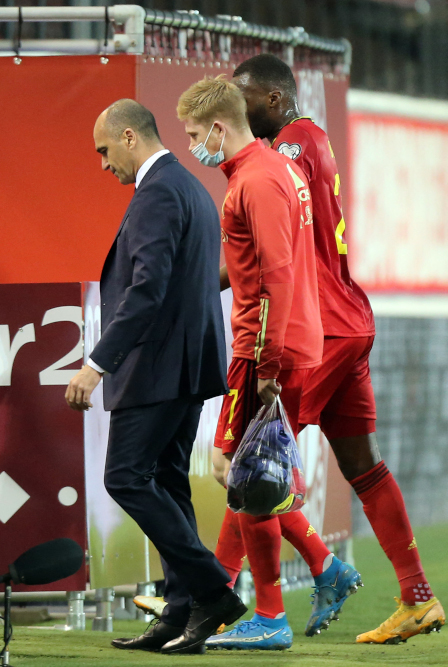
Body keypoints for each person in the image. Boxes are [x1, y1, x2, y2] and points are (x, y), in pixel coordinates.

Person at [223, 52, 445, 644]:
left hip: (316, 329)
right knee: (363, 467)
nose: (230, 110)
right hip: (350, 320)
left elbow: (281, 245)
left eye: (239, 96)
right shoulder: (311, 139)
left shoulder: (285, 150)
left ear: (271, 99)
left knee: (252, 466)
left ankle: (212, 597)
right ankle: (417, 595)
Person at [176, 75, 360, 651]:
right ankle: (324, 569)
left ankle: (272, 615)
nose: (191, 145)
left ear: (217, 127)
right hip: (292, 340)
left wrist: (269, 363)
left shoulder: (253, 181)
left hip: (265, 348)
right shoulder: (272, 171)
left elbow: (276, 275)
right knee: (261, 477)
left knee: (238, 475)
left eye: (191, 134)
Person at [65, 99, 245, 655]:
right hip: (187, 366)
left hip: (157, 367)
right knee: (167, 481)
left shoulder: (158, 193)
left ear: (128, 137)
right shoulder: (190, 186)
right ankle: (180, 610)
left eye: (103, 151)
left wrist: (96, 365)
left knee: (125, 477)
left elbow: (147, 290)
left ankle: (212, 589)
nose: (102, 164)